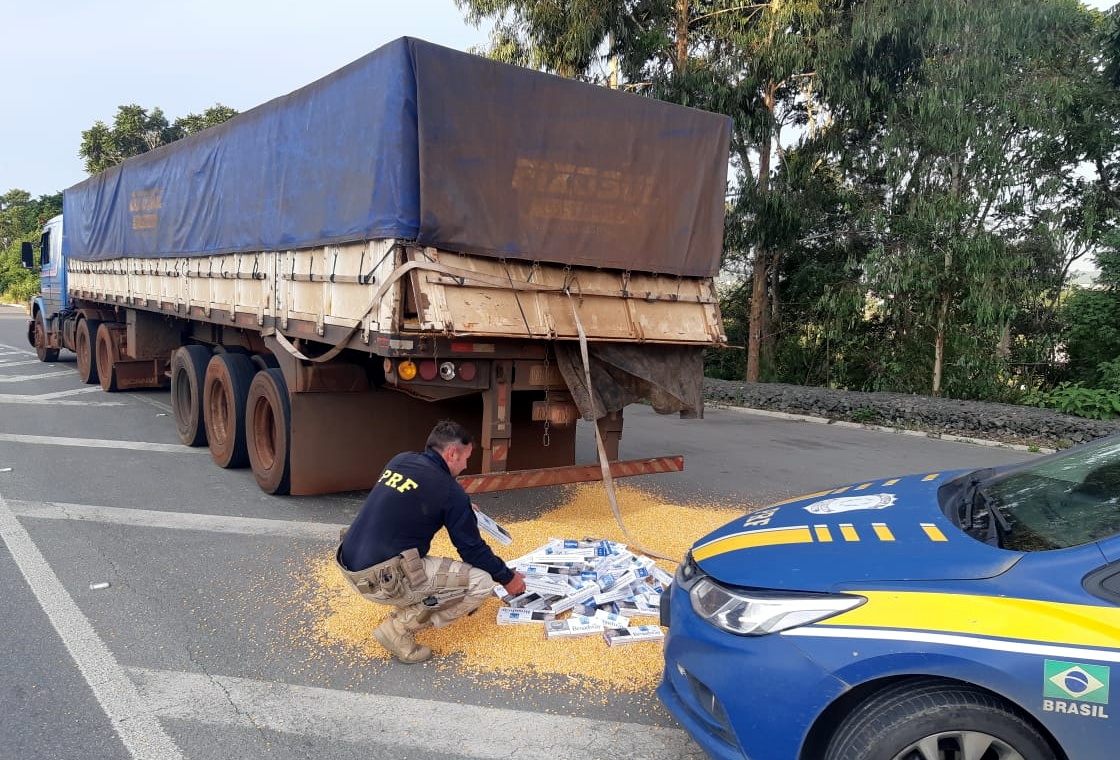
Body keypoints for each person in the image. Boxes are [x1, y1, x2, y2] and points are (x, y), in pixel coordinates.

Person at [335, 419, 526, 663]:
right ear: (452, 453)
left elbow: (411, 500)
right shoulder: (449, 492)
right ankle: (398, 631)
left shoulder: (401, 460)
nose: (466, 465)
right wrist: (507, 578)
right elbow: (472, 550)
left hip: (351, 567)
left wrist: (462, 508)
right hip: (383, 581)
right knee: (481, 582)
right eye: (466, 457)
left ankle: (408, 603)